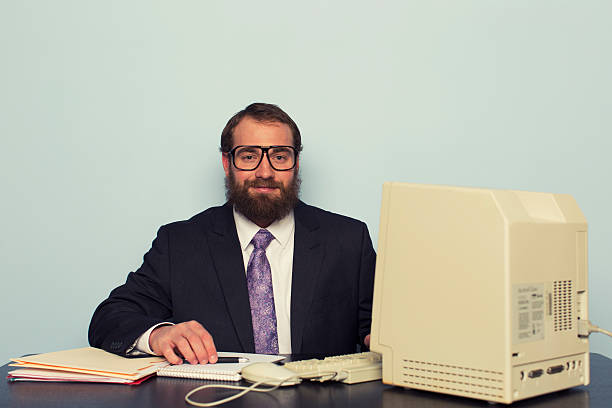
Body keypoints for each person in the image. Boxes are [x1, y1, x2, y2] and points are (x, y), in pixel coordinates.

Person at [88, 103, 376, 365]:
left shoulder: (348, 241)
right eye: (249, 156)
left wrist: (386, 339)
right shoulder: (180, 244)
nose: (265, 171)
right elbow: (109, 319)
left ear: (296, 164)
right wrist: (159, 335)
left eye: (280, 156)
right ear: (227, 164)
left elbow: (379, 326)